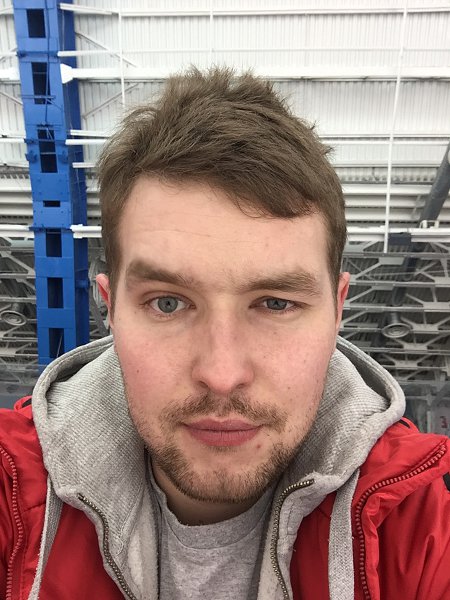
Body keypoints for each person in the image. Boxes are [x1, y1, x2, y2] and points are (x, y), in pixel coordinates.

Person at [0, 67, 449, 600]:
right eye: (168, 303)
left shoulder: (413, 520)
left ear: (337, 311)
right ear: (110, 310)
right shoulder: (13, 489)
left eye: (275, 303)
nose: (221, 374)